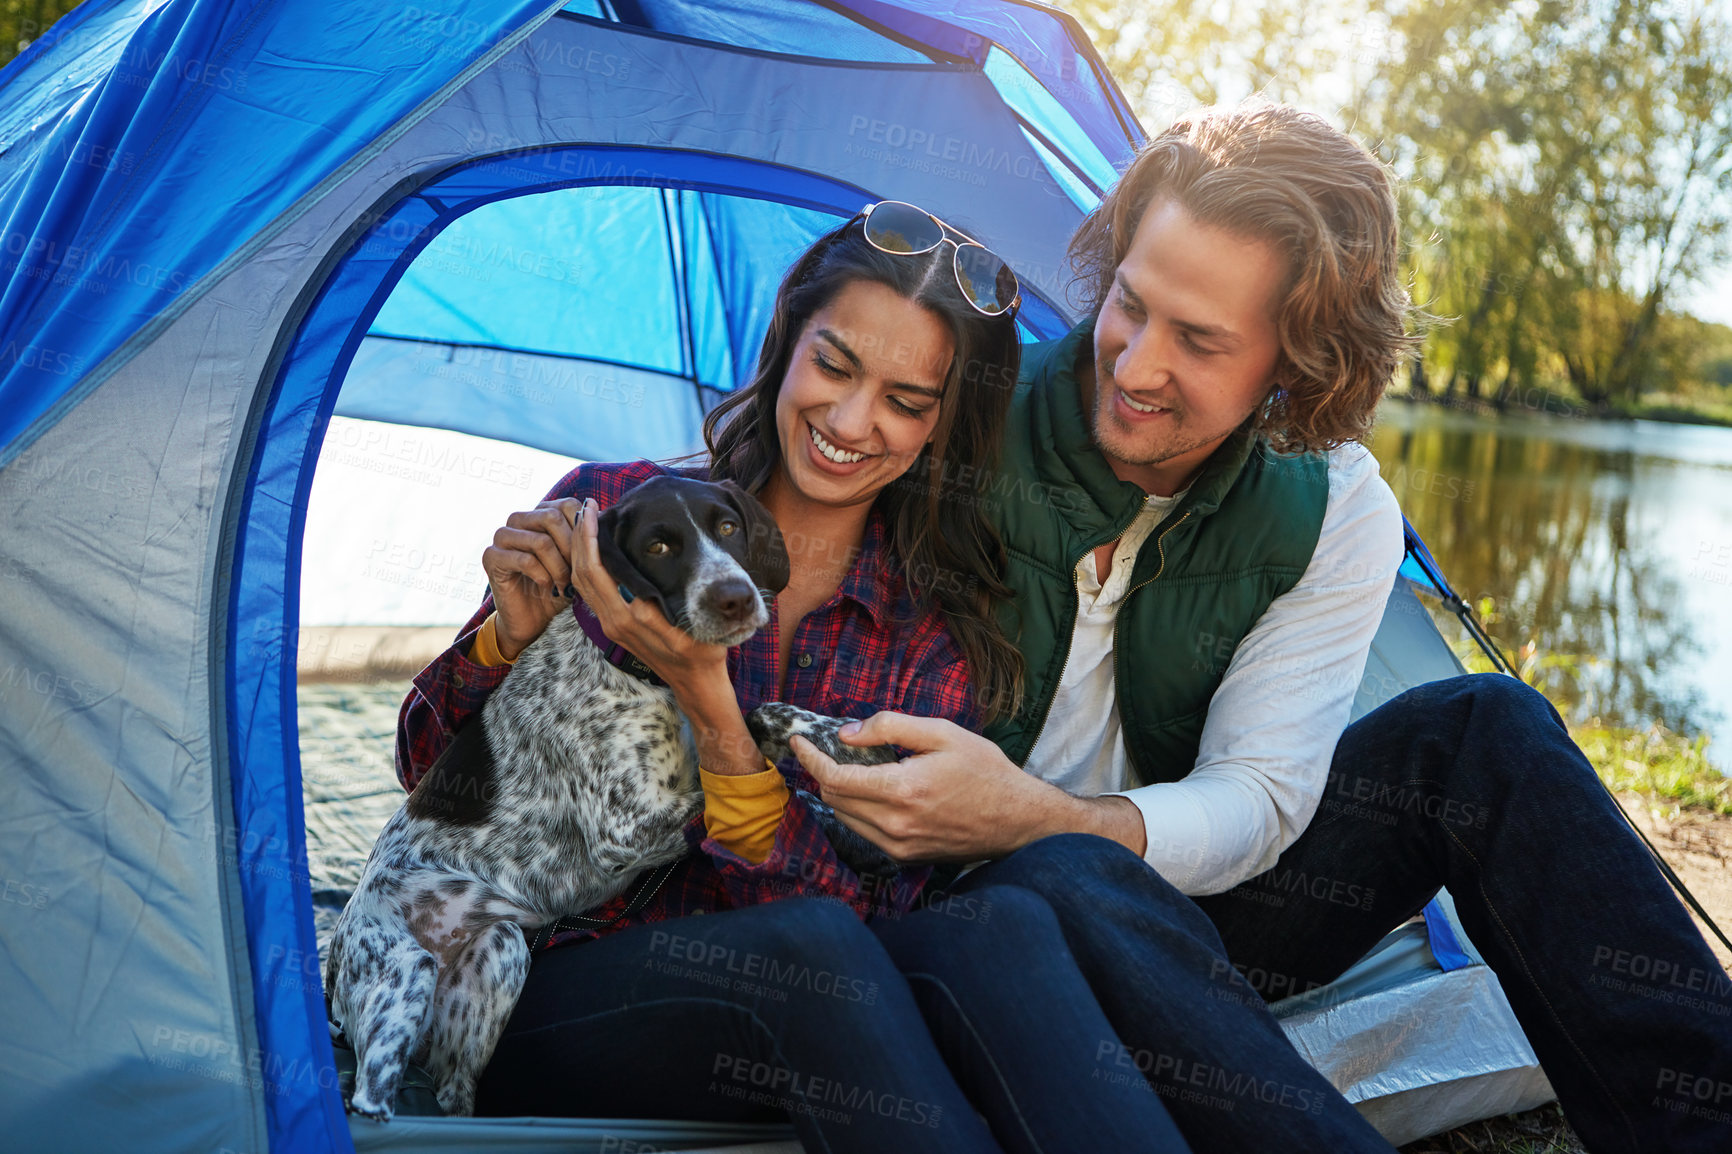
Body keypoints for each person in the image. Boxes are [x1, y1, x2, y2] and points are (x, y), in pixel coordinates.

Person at [785, 101, 1732, 1153]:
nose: (1136, 366)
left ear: (1299, 360)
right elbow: (760, 499)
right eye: (1130, 306)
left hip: (1188, 901)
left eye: (1197, 340)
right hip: (962, 910)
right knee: (1056, 877)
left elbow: (1261, 796)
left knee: (1483, 730)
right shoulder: (956, 409)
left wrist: (1038, 814)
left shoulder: (1334, 503)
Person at [392, 203, 1209, 1153]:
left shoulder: (938, 636)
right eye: (835, 366)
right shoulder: (607, 514)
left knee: (982, 930)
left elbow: (866, 921)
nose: (853, 423)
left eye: (908, 402)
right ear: (787, 344)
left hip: (816, 1010)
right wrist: (505, 637)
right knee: (809, 954)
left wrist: (713, 710)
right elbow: (428, 783)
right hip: (541, 992)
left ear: (946, 425)